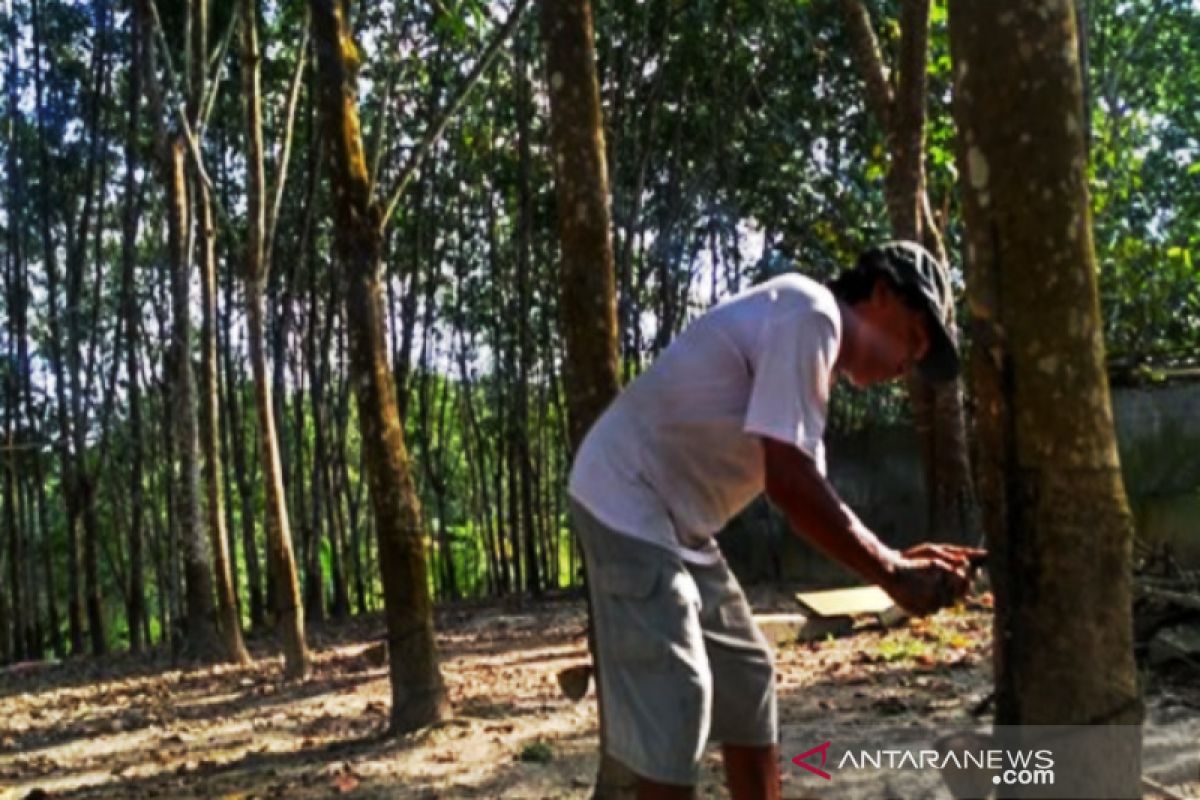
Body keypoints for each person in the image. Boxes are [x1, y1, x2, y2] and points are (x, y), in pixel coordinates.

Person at [567, 241, 986, 800]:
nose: (907, 363)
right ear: (881, 292)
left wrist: (898, 562)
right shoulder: (810, 313)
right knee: (680, 691)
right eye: (911, 338)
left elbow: (806, 490)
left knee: (746, 674)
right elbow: (789, 484)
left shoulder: (811, 349)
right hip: (625, 495)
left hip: (679, 525)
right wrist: (891, 572)